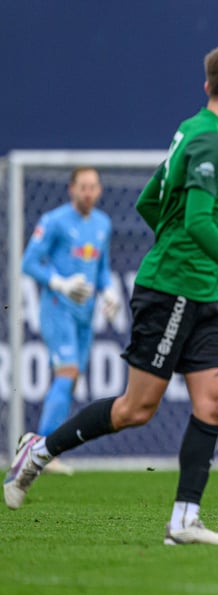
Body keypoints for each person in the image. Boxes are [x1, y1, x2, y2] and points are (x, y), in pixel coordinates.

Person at [4, 43, 218, 546]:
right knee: (136, 409)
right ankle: (38, 452)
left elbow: (148, 200)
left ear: (206, 87)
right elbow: (195, 219)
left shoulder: (192, 130)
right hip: (172, 290)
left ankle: (184, 520)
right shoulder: (212, 141)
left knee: (213, 401)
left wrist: (178, 245)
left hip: (199, 292)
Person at [20, 166, 120, 476]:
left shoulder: (103, 224)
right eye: (83, 187)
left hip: (84, 313)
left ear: (100, 190)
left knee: (71, 378)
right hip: (57, 306)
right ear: (71, 189)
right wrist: (60, 283)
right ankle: (42, 447)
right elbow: (29, 262)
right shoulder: (54, 221)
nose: (88, 192)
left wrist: (109, 291)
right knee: (68, 370)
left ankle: (47, 449)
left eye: (93, 187)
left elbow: (101, 268)